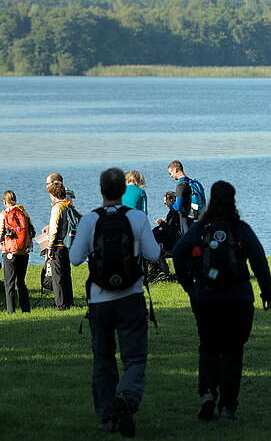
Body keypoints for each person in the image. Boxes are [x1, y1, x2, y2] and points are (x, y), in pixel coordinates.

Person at [69, 168, 161, 437]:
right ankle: (126, 398)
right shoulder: (137, 217)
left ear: (101, 190)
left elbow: (75, 259)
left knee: (103, 358)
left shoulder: (90, 220)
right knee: (134, 357)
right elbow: (154, 254)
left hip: (100, 300)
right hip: (131, 296)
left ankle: (107, 416)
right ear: (124, 190)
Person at [172, 181, 271, 422]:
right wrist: (266, 292)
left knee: (208, 348)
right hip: (238, 298)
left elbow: (177, 253)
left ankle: (207, 394)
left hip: (206, 298)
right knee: (233, 351)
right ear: (233, 200)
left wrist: (190, 286)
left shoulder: (200, 228)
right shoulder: (240, 229)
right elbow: (259, 260)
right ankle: (227, 407)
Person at [0, 190, 34, 314]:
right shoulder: (24, 212)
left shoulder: (3, 214)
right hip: (24, 251)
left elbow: (0, 235)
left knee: (9, 283)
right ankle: (26, 309)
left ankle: (11, 310)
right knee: (21, 281)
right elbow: (32, 231)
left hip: (9, 251)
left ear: (4, 201)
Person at [47, 181, 78, 311]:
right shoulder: (69, 206)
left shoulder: (57, 208)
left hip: (58, 245)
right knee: (66, 274)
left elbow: (54, 229)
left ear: (53, 194)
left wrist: (50, 246)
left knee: (57, 276)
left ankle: (61, 304)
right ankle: (69, 301)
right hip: (67, 245)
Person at [168, 160, 194, 235]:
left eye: (170, 173)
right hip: (194, 217)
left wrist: (170, 204)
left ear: (175, 170)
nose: (170, 176)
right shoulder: (190, 181)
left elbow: (178, 207)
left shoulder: (180, 186)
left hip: (186, 219)